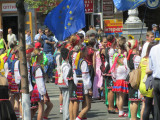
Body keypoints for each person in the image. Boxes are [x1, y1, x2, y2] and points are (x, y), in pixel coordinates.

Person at [74, 46, 92, 120]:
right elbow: (85, 76)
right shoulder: (83, 62)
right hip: (84, 84)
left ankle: (83, 118)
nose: (87, 53)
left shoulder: (77, 61)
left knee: (84, 104)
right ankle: (77, 119)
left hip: (78, 83)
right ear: (83, 52)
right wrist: (89, 88)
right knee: (88, 106)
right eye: (86, 51)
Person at [139, 42, 156, 120]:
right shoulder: (152, 59)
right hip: (149, 85)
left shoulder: (143, 59)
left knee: (146, 106)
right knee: (149, 107)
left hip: (142, 84)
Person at [110, 52, 129, 117]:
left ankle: (120, 111)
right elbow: (128, 72)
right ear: (119, 59)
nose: (123, 60)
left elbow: (113, 75)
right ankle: (121, 112)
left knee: (118, 97)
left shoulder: (116, 66)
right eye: (122, 59)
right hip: (122, 81)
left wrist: (115, 80)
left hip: (117, 82)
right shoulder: (123, 67)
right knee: (121, 98)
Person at [31, 48, 48, 120]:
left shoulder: (35, 65)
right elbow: (40, 82)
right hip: (39, 89)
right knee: (41, 107)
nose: (42, 56)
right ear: (38, 56)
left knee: (35, 108)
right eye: (41, 55)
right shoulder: (38, 68)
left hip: (37, 87)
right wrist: (44, 94)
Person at [126, 36, 141, 120]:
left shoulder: (129, 56)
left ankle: (132, 117)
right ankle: (134, 118)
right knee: (135, 99)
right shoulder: (137, 57)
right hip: (135, 78)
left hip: (130, 77)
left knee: (132, 99)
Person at [149, 41, 160, 120]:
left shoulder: (153, 49)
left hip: (156, 80)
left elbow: (151, 66)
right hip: (156, 78)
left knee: (157, 106)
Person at [60, 47, 70, 120]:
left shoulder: (65, 63)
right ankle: (66, 117)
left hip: (65, 85)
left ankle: (66, 116)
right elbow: (66, 78)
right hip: (66, 86)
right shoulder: (65, 65)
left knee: (66, 101)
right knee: (66, 102)